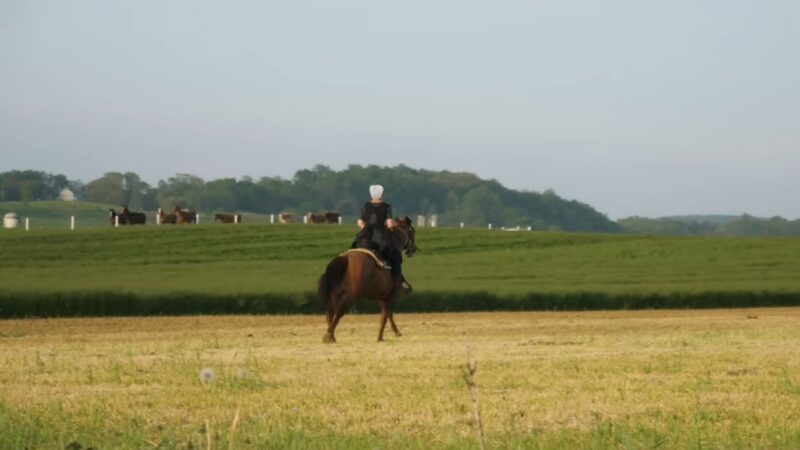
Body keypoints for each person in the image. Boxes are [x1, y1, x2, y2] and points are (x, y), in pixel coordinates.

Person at [354, 184, 410, 294]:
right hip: (380, 241)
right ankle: (398, 283)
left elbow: (359, 222)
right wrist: (392, 225)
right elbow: (389, 224)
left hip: (363, 240)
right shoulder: (386, 207)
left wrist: (366, 228)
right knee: (396, 257)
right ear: (381, 194)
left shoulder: (365, 206)